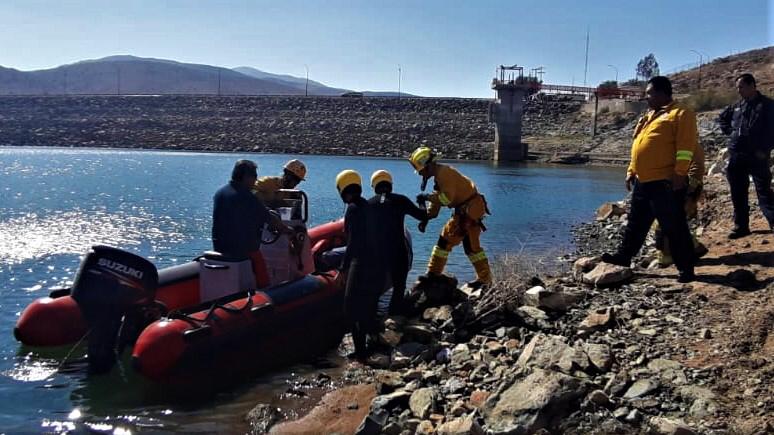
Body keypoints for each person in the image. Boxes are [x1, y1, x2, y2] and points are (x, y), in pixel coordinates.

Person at [601, 76, 697, 283]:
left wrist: (680, 174)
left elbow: (686, 148)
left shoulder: (680, 114)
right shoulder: (649, 116)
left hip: (665, 181)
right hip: (643, 181)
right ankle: (624, 257)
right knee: (636, 224)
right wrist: (631, 170)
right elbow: (639, 147)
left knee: (674, 226)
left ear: (663, 93)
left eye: (650, 93)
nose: (647, 97)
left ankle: (686, 269)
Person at [408, 146, 492, 290]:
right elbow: (435, 207)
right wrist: (425, 219)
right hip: (472, 210)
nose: (420, 174)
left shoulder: (444, 174)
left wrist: (427, 197)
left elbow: (446, 199)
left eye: (421, 170)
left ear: (428, 165)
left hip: (469, 211)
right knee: (472, 248)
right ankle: (485, 280)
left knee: (444, 242)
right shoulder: (440, 177)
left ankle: (433, 273)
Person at [212, 160, 290, 288]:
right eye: (254, 176)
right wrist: (287, 229)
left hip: (219, 247)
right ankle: (265, 292)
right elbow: (269, 219)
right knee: (259, 262)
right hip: (241, 251)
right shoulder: (246, 197)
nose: (256, 179)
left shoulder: (220, 193)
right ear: (246, 177)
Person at [336, 169, 387, 359]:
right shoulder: (367, 205)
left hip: (361, 263)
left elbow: (353, 243)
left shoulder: (353, 208)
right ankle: (373, 341)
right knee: (369, 304)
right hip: (377, 263)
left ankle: (360, 352)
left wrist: (343, 269)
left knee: (351, 308)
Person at [718, 73, 774, 238]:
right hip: (737, 155)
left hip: (758, 156)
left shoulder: (767, 105)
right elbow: (722, 118)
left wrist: (765, 149)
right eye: (737, 88)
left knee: (763, 191)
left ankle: (773, 220)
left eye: (741, 87)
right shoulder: (737, 106)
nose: (739, 90)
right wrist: (731, 132)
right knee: (738, 192)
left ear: (752, 86)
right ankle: (741, 226)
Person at [368, 169, 428, 315]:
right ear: (390, 184)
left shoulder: (369, 204)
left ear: (374, 186)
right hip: (398, 251)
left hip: (377, 254)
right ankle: (393, 317)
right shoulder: (401, 200)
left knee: (375, 289)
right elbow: (422, 215)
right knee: (399, 287)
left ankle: (371, 320)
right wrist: (422, 202)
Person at [654, 142, 709, 266]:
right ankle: (693, 247)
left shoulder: (691, 142)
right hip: (673, 186)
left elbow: (697, 166)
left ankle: (668, 257)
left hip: (685, 187)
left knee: (664, 222)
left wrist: (690, 189)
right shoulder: (672, 141)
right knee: (672, 221)